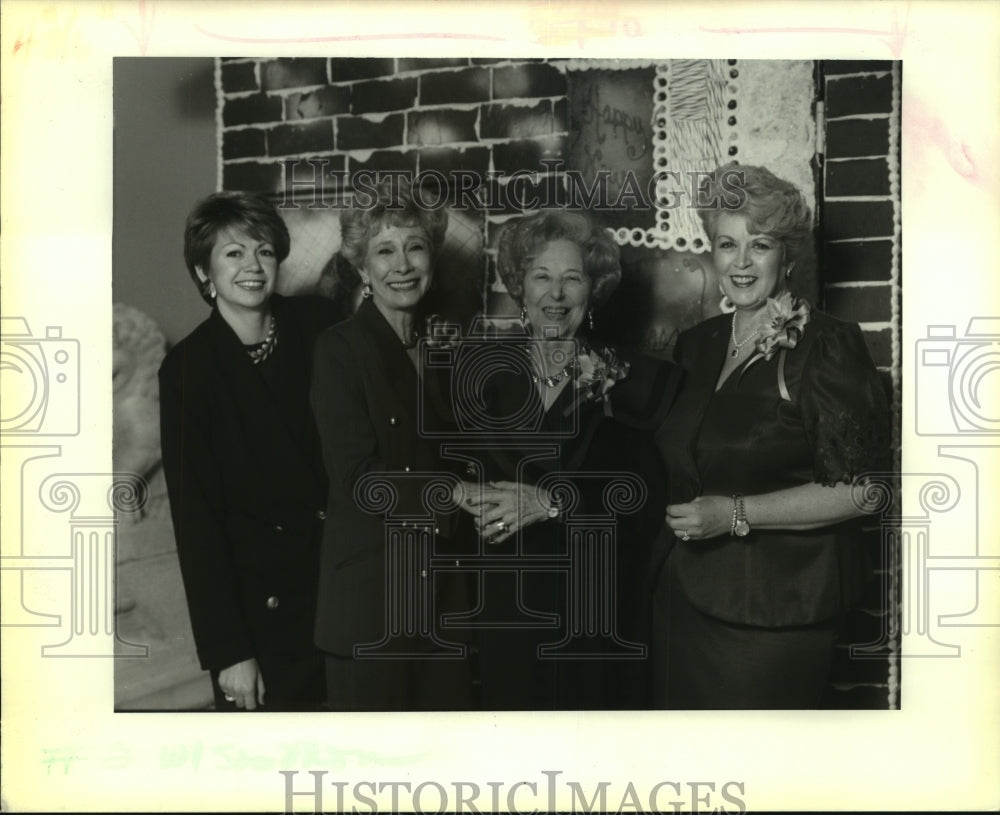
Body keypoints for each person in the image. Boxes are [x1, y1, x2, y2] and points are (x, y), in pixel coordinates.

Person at [651, 164, 891, 709]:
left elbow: (862, 490)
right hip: (680, 601)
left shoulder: (825, 345)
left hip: (774, 615)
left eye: (758, 245)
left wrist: (735, 513)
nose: (740, 262)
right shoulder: (697, 344)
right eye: (726, 243)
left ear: (787, 256)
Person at [455, 209, 676, 710]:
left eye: (572, 278)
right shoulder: (480, 376)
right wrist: (461, 495)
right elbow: (451, 478)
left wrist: (552, 503)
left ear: (593, 290)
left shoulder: (634, 382)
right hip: (505, 613)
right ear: (520, 286)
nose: (556, 295)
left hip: (595, 613)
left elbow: (649, 505)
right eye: (542, 277)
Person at [159, 191, 341, 711]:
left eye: (263, 250)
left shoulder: (319, 325)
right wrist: (229, 651)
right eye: (233, 254)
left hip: (341, 590)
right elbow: (197, 523)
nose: (253, 267)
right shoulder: (187, 370)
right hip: (263, 620)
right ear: (204, 274)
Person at [310, 180, 473, 711]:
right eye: (384, 250)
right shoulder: (339, 350)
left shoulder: (441, 350)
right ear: (362, 267)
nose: (402, 264)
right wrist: (459, 496)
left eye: (415, 246)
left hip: (442, 606)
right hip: (370, 611)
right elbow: (361, 479)